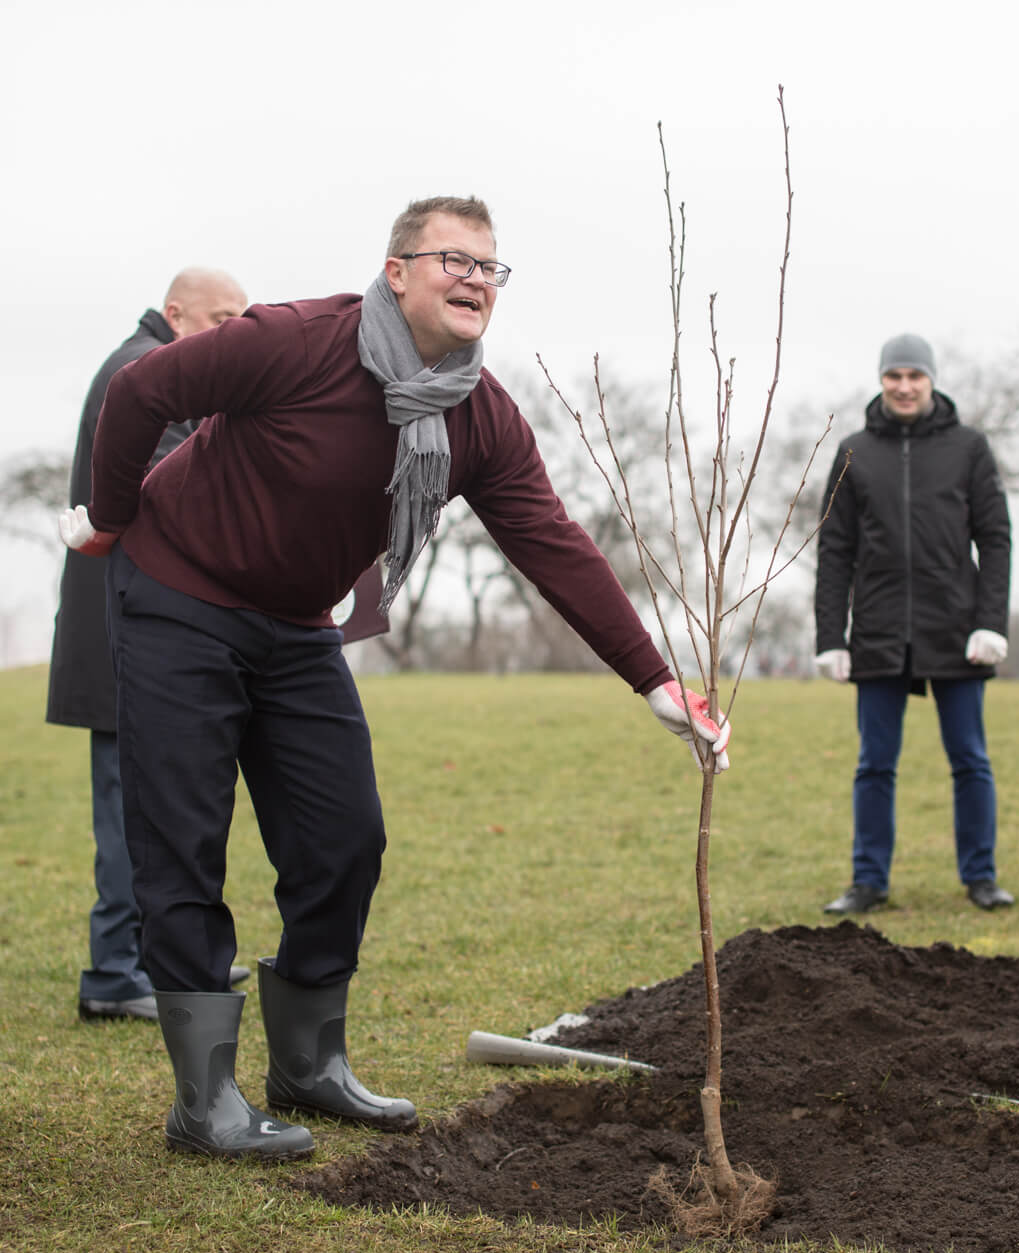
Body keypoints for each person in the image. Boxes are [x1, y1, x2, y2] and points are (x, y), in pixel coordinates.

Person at [56, 196, 730, 1162]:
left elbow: (551, 541)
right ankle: (204, 1098)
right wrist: (112, 515)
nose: (475, 278)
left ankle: (308, 1063)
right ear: (397, 270)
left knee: (345, 836)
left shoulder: (475, 416)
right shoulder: (294, 341)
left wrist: (659, 683)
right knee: (183, 837)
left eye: (491, 267)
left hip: (295, 625)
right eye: (453, 258)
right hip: (178, 595)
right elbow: (139, 395)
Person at [48, 268, 253, 1022]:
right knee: (129, 808)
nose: (233, 331)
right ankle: (115, 972)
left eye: (243, 318)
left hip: (135, 624)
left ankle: (154, 965)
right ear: (175, 313)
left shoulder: (154, 364)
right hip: (123, 630)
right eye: (219, 317)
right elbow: (177, 480)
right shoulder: (144, 373)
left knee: (154, 803)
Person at [813, 333, 1014, 915]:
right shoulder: (853, 451)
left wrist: (990, 622)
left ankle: (981, 876)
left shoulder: (970, 448)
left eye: (914, 376)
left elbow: (995, 538)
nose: (904, 387)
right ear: (881, 380)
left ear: (931, 381)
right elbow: (835, 549)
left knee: (970, 759)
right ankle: (868, 881)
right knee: (874, 763)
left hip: (955, 628)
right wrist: (831, 636)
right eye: (893, 376)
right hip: (876, 631)